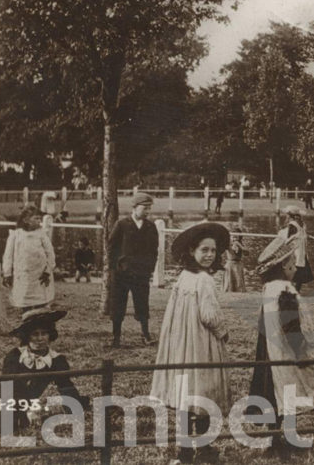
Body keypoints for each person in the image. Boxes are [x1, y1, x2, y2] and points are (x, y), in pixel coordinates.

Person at [150, 222, 231, 465]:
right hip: (200, 342)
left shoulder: (183, 277)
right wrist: (223, 331)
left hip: (181, 343)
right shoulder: (204, 280)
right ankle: (204, 448)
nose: (209, 256)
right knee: (204, 391)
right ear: (192, 251)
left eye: (213, 251)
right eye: (204, 250)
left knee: (187, 393)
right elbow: (208, 315)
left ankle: (185, 450)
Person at [249, 231, 314, 457]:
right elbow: (291, 324)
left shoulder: (269, 288)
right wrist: (300, 351)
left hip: (271, 350)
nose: (295, 267)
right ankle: (286, 438)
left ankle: (276, 437)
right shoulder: (285, 290)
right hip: (286, 352)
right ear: (283, 267)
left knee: (275, 393)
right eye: (292, 263)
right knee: (288, 393)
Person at [0, 308, 89, 435]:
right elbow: (6, 388)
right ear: (27, 336)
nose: (40, 339)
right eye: (35, 334)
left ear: (50, 335)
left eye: (44, 333)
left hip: (29, 405)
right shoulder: (15, 356)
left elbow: (66, 387)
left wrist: (75, 410)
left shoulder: (57, 360)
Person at [106, 192, 159, 347]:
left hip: (141, 274)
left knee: (142, 304)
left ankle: (146, 335)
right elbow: (111, 247)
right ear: (135, 208)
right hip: (122, 274)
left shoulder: (150, 227)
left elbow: (154, 250)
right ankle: (116, 337)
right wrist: (114, 268)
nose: (148, 211)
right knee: (118, 305)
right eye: (145, 208)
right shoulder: (122, 225)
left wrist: (149, 268)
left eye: (149, 208)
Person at [3, 204, 56, 312]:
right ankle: (27, 320)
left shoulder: (41, 234)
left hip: (40, 275)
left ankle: (40, 321)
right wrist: (7, 273)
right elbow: (8, 255)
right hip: (23, 275)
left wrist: (48, 270)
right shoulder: (16, 235)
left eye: (40, 219)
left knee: (40, 301)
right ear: (26, 220)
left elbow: (50, 253)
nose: (39, 221)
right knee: (25, 301)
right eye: (36, 218)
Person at [274, 206, 313, 292]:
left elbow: (288, 238)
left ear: (289, 216)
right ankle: (296, 291)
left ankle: (291, 292)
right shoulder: (301, 224)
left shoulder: (292, 225)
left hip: (295, 251)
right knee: (300, 273)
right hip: (302, 251)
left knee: (292, 272)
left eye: (287, 215)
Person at [221, 225, 246, 293]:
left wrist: (239, 245)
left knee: (238, 281)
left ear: (239, 237)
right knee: (229, 282)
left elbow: (247, 253)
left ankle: (239, 293)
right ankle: (228, 292)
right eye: (233, 237)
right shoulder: (228, 244)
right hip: (230, 265)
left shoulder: (240, 244)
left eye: (236, 237)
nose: (234, 239)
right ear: (230, 237)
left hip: (238, 265)